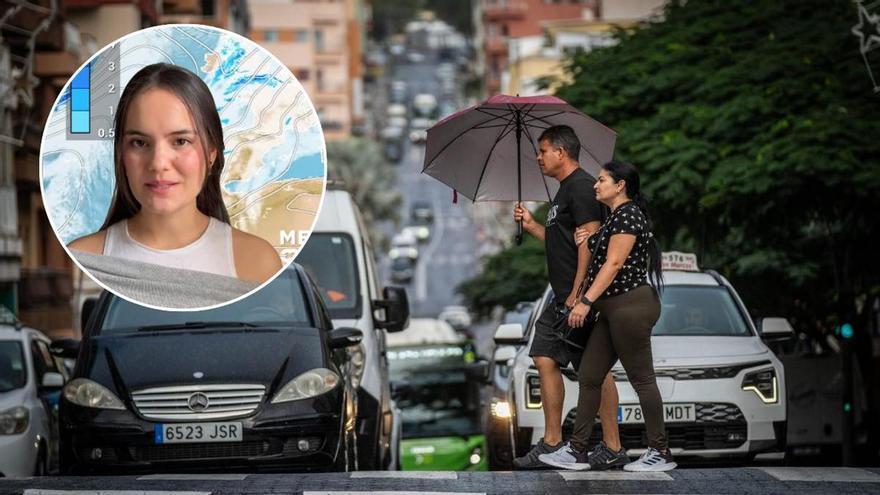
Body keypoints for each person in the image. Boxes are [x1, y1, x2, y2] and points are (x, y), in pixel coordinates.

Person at [68, 63, 281, 284]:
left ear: (211, 154)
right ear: (121, 153)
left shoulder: (258, 262)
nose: (158, 164)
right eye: (139, 143)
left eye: (180, 141)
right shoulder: (82, 260)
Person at [539, 160, 676, 472]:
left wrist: (585, 301)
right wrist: (586, 240)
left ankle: (660, 451)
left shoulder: (628, 214)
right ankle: (577, 451)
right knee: (589, 377)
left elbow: (613, 265)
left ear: (620, 186)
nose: (595, 185)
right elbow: (601, 255)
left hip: (630, 307)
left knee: (642, 379)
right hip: (613, 310)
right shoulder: (615, 218)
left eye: (601, 180)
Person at [511, 125, 625, 470]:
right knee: (544, 357)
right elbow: (563, 243)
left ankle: (611, 445)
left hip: (578, 295)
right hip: (563, 294)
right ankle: (551, 442)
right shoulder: (563, 192)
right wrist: (532, 226)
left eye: (543, 151)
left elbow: (589, 248)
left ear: (561, 152)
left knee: (596, 370)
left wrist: (578, 296)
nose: (538, 157)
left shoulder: (581, 188)